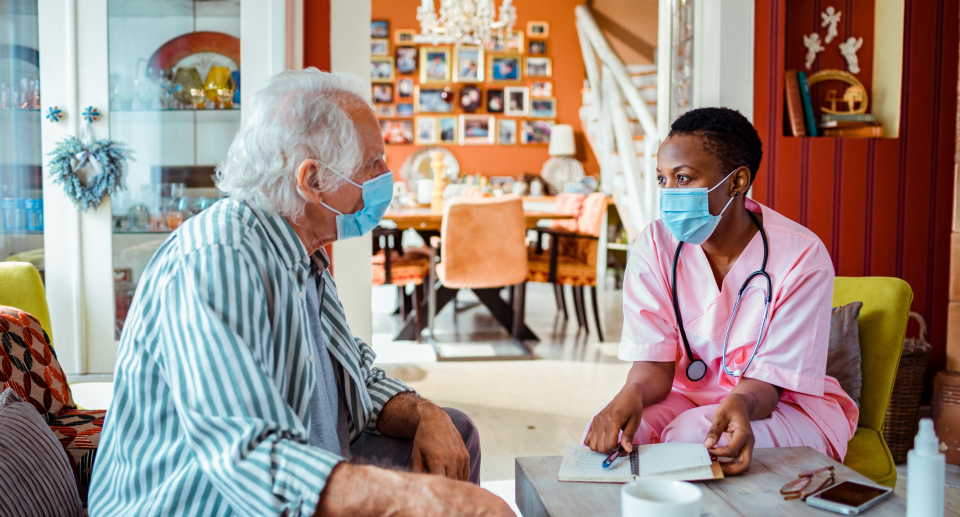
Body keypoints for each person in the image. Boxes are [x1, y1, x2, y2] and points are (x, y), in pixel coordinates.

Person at [89, 69, 512, 517]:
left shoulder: (302, 253)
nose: (386, 177)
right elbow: (249, 457)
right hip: (209, 502)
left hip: (302, 465)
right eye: (373, 163)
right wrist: (419, 500)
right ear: (312, 181)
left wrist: (428, 415)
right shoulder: (220, 257)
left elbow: (354, 377)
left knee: (454, 433)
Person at [583, 107, 858, 476]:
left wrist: (740, 402)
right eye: (662, 180)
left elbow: (768, 385)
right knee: (610, 434)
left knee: (692, 439)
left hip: (780, 404)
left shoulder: (802, 256)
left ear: (737, 181)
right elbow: (655, 365)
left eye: (683, 178)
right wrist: (630, 392)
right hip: (684, 396)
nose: (669, 194)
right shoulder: (655, 245)